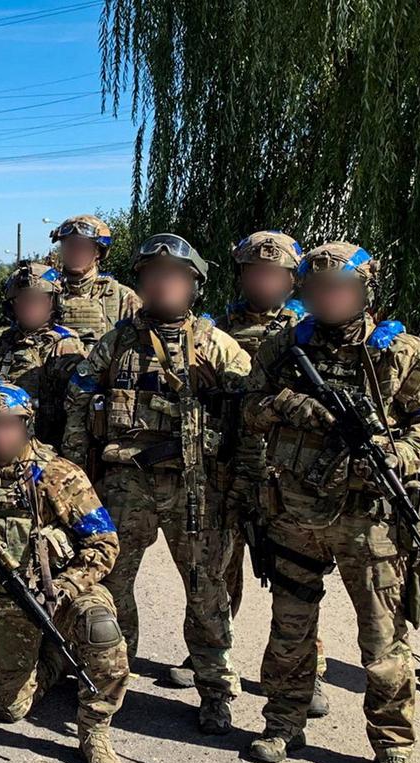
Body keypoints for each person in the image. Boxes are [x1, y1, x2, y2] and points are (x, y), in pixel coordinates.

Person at [240, 242, 420, 763]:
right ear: (304, 294)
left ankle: (393, 748)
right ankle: (284, 723)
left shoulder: (400, 352)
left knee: (383, 642)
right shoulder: (285, 346)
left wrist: (394, 456)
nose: (330, 299)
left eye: (342, 290)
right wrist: (292, 406)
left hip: (371, 520)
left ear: (363, 293)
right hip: (295, 512)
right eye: (319, 291)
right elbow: (248, 407)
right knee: (290, 628)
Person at [62, 233, 250, 735]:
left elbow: (251, 412)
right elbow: (80, 403)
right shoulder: (116, 341)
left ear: (193, 285)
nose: (163, 284)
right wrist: (76, 479)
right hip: (126, 484)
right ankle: (111, 678)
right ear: (141, 283)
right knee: (111, 583)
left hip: (194, 487)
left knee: (206, 590)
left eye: (174, 276)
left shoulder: (214, 344)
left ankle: (215, 689)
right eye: (153, 276)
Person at [166, 231, 333, 716]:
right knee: (218, 569)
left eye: (275, 273)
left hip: (286, 476)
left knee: (295, 577)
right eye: (255, 272)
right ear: (242, 276)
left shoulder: (308, 329)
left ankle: (309, 668)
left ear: (291, 279)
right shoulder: (213, 328)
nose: (264, 280)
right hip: (225, 468)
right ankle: (215, 658)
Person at [0, 381, 127, 763]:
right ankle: (52, 660)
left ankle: (95, 731)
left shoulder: (57, 474)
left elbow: (104, 543)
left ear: (26, 426)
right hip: (2, 602)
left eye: (9, 425)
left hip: (61, 593)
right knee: (9, 708)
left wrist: (67, 586)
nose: (0, 434)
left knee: (101, 629)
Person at [0, 260, 87, 446]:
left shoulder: (65, 346)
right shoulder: (0, 346)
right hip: (4, 443)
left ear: (54, 302)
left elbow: (77, 408)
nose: (30, 307)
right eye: (22, 300)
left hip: (49, 446)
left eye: (38, 300)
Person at [50, 214, 141, 350]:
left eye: (83, 246)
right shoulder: (47, 294)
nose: (75, 252)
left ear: (98, 251)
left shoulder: (121, 297)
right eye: (70, 245)